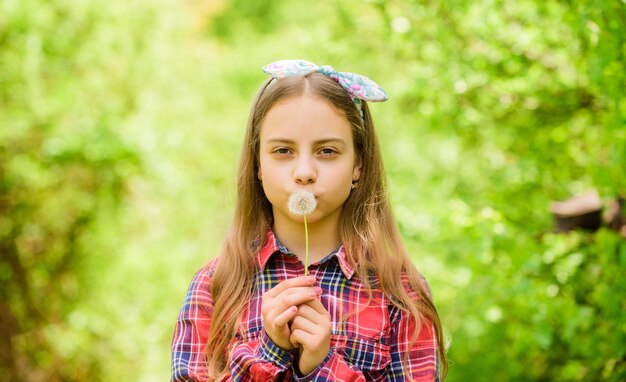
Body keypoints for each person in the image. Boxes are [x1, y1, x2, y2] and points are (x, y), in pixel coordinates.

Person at [170, 59, 447, 381]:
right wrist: (269, 351)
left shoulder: (400, 292)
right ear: (257, 164)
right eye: (283, 151)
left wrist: (322, 366)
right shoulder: (216, 286)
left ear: (358, 163)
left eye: (327, 151)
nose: (304, 173)